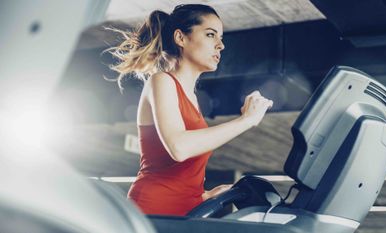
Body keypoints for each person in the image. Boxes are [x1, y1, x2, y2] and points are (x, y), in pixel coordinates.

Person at [104, 4, 273, 216]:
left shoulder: (191, 97)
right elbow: (179, 148)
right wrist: (245, 120)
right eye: (211, 35)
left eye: (221, 38)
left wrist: (203, 195)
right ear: (180, 38)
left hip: (188, 209)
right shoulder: (162, 81)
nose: (220, 45)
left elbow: (181, 173)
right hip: (154, 206)